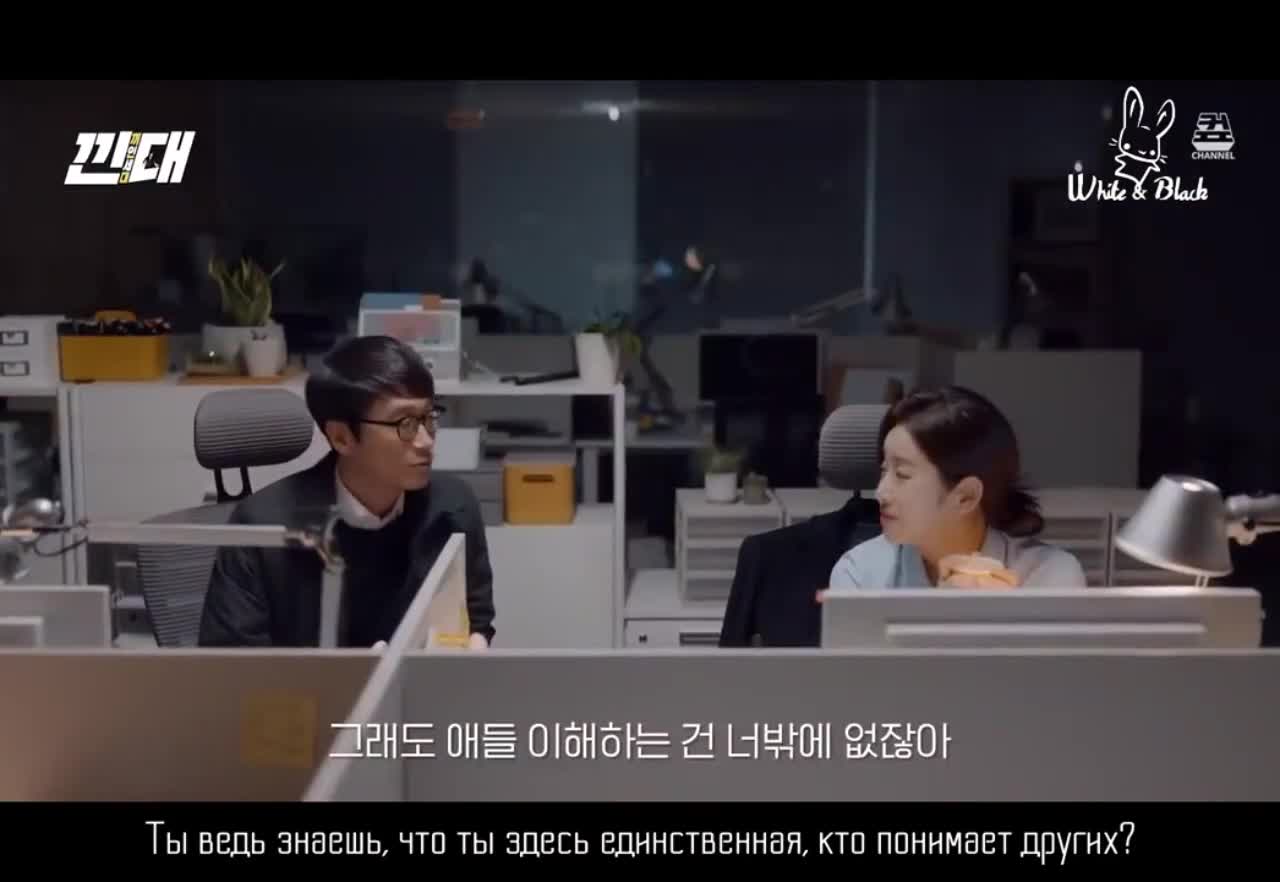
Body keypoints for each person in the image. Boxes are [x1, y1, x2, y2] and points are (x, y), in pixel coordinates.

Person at [198, 335, 496, 648]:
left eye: (429, 417)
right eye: (405, 423)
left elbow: (475, 619)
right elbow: (231, 658)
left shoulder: (452, 508)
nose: (426, 440)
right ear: (342, 438)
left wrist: (473, 644)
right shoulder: (265, 528)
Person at [828, 385, 1085, 590]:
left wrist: (999, 615)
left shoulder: (1050, 576)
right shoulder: (860, 572)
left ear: (966, 497)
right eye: (884, 471)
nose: (881, 492)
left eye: (902, 475)